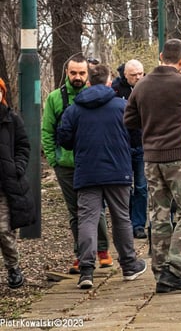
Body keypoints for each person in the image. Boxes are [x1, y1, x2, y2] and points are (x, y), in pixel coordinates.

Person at [57, 64, 147, 289]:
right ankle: (128, 265)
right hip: (118, 171)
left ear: (88, 82)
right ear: (109, 82)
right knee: (121, 218)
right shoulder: (122, 106)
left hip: (87, 172)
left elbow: (64, 139)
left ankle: (86, 270)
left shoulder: (74, 109)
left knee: (87, 219)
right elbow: (137, 136)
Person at [124, 39, 181, 293]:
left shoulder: (142, 85)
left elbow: (129, 120)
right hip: (179, 158)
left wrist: (151, 126)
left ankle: (160, 275)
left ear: (160, 56)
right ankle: (174, 268)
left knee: (158, 215)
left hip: (151, 159)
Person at [41, 53, 112, 274]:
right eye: (73, 73)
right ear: (66, 73)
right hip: (66, 165)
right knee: (75, 213)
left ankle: (101, 249)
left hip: (91, 163)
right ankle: (81, 254)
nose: (77, 77)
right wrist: (54, 159)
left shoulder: (96, 96)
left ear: (88, 74)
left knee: (95, 210)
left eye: (82, 73)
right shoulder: (55, 98)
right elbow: (47, 131)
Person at [0, 77, 35, 289]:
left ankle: (13, 267)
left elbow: (23, 146)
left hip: (5, 186)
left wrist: (17, 167)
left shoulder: (11, 119)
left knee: (3, 229)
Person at [111, 59, 148, 239]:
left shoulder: (148, 86)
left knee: (141, 186)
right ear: (125, 75)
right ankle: (126, 223)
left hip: (142, 143)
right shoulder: (115, 90)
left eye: (141, 74)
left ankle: (139, 224)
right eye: (134, 75)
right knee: (126, 187)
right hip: (123, 145)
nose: (138, 77)